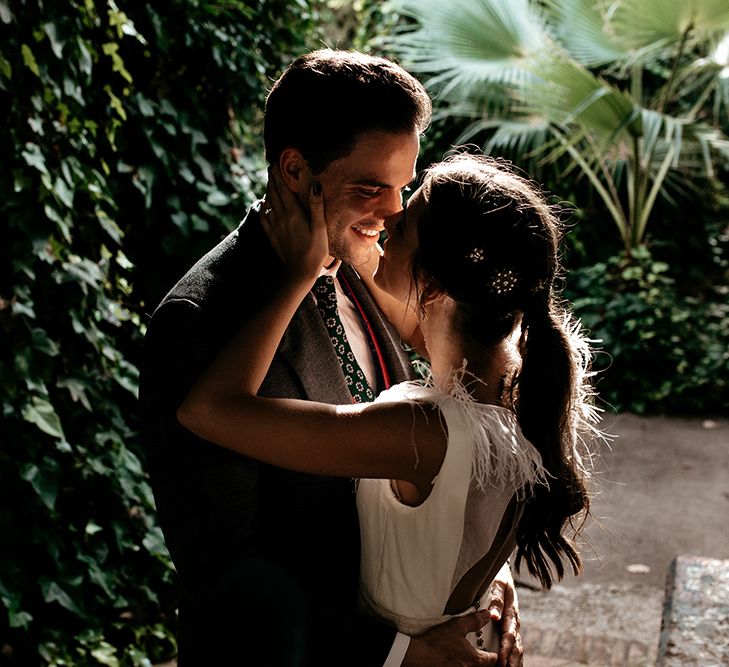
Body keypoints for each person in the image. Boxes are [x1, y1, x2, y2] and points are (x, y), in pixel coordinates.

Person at [139, 50, 523, 666]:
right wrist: (399, 653)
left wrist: (474, 578)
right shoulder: (199, 321)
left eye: (404, 187)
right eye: (371, 188)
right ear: (295, 171)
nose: (396, 213)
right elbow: (226, 576)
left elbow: (449, 451)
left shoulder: (375, 266)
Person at [177, 152, 599, 663]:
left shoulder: (419, 432)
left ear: (438, 285)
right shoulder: (519, 381)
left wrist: (299, 274)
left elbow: (209, 411)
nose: (390, 216)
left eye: (409, 215)